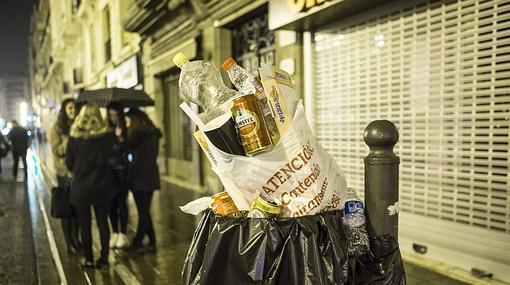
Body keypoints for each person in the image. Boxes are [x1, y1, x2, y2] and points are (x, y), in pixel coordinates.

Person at [65, 103, 119, 269]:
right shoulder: (107, 137)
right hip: (102, 185)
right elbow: (114, 158)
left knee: (85, 224)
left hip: (81, 187)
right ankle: (103, 259)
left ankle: (89, 259)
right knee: (103, 223)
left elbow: (69, 163)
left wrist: (80, 170)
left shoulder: (74, 138)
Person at [124, 109, 161, 252]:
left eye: (129, 121)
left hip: (144, 178)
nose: (128, 124)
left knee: (143, 211)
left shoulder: (148, 135)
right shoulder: (139, 135)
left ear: (135, 120)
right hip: (141, 178)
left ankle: (138, 241)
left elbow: (147, 159)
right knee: (143, 210)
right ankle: (152, 241)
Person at [49, 98, 81, 254]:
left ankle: (77, 238)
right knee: (67, 208)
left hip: (79, 172)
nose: (73, 111)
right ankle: (70, 242)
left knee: (79, 207)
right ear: (64, 110)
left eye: (74, 108)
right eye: (70, 108)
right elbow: (57, 150)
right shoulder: (57, 128)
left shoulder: (80, 125)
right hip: (64, 173)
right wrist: (70, 138)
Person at [106, 102, 130, 249]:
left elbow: (129, 149)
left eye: (115, 115)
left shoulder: (126, 129)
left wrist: (121, 140)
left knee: (122, 202)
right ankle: (114, 232)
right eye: (110, 115)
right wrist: (114, 140)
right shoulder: (107, 131)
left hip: (122, 171)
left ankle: (122, 233)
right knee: (111, 203)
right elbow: (105, 151)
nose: (113, 118)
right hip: (109, 172)